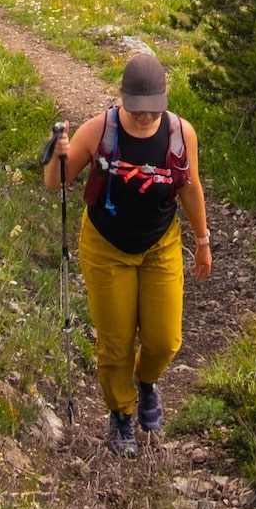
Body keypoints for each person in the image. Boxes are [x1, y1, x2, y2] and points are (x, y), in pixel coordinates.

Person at [44, 46, 212, 454]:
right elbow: (56, 182)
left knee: (165, 339)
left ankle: (147, 381)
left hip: (160, 244)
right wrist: (55, 152)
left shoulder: (179, 132)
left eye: (152, 109)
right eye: (137, 108)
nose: (145, 116)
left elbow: (189, 187)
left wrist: (203, 242)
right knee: (115, 341)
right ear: (122, 98)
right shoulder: (100, 130)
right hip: (106, 247)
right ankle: (120, 413)